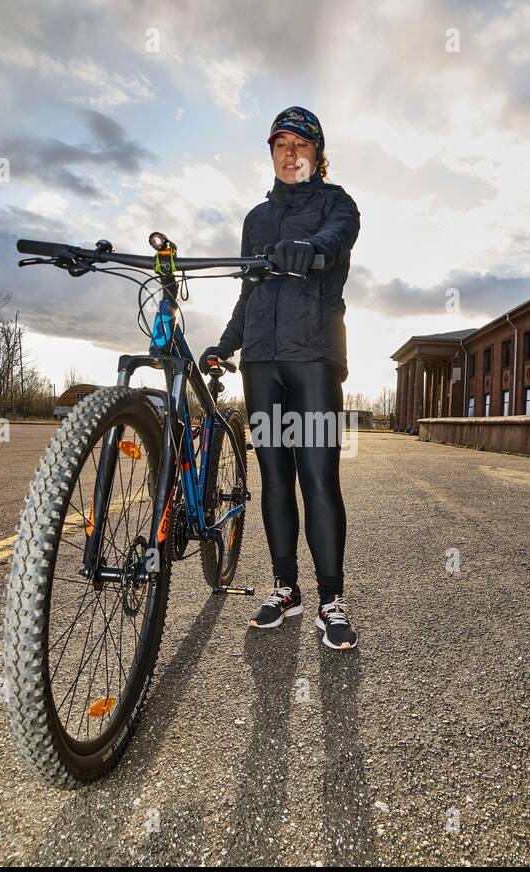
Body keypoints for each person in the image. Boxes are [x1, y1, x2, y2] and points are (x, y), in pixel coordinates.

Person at [200, 106, 361, 650]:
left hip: (313, 359)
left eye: (300, 145)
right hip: (262, 364)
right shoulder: (255, 219)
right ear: (271, 154)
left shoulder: (337, 203)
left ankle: (331, 600)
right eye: (280, 146)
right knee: (274, 478)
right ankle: (285, 589)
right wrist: (226, 345)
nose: (290, 155)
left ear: (318, 155)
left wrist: (310, 249)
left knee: (317, 479)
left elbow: (337, 238)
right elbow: (248, 291)